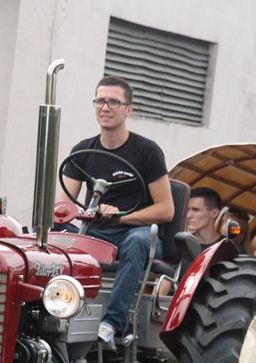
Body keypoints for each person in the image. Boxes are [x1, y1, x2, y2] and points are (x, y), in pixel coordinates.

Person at [60, 76, 174, 344]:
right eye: (100, 101)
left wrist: (121, 217)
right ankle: (57, 311)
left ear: (128, 109)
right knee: (55, 235)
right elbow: (64, 206)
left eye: (113, 102)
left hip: (134, 232)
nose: (105, 107)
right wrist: (68, 216)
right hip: (96, 231)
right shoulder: (82, 151)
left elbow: (166, 209)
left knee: (136, 242)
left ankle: (111, 324)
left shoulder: (147, 151)